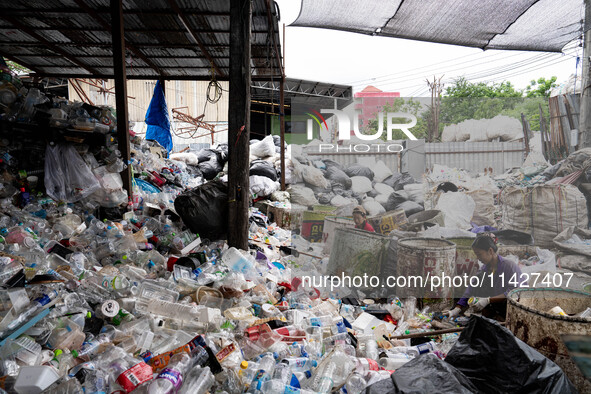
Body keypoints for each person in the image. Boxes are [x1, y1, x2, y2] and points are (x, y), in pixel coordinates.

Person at [446, 233, 523, 321]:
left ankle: (502, 319)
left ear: (490, 251)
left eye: (479, 254)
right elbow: (472, 287)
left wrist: (487, 300)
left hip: (514, 308)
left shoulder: (509, 266)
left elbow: (513, 293)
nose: (477, 258)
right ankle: (492, 316)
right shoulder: (485, 268)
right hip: (497, 305)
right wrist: (457, 308)